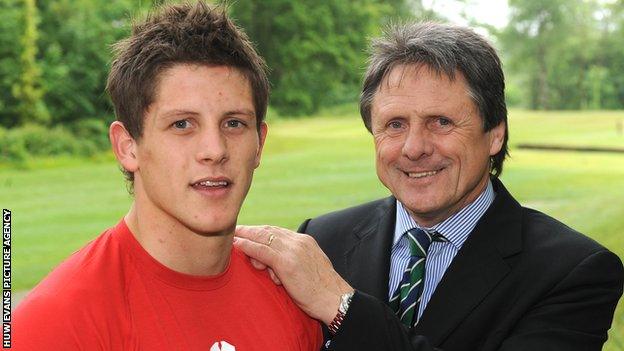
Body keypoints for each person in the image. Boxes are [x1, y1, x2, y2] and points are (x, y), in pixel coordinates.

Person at [234, 22, 624, 350]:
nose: (414, 148)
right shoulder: (323, 239)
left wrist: (343, 307)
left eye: (441, 122)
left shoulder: (573, 272)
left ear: (495, 135)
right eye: (395, 125)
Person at [13, 2, 322, 350]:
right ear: (127, 146)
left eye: (234, 123)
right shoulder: (56, 325)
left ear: (259, 144)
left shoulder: (291, 297)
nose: (214, 149)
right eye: (182, 124)